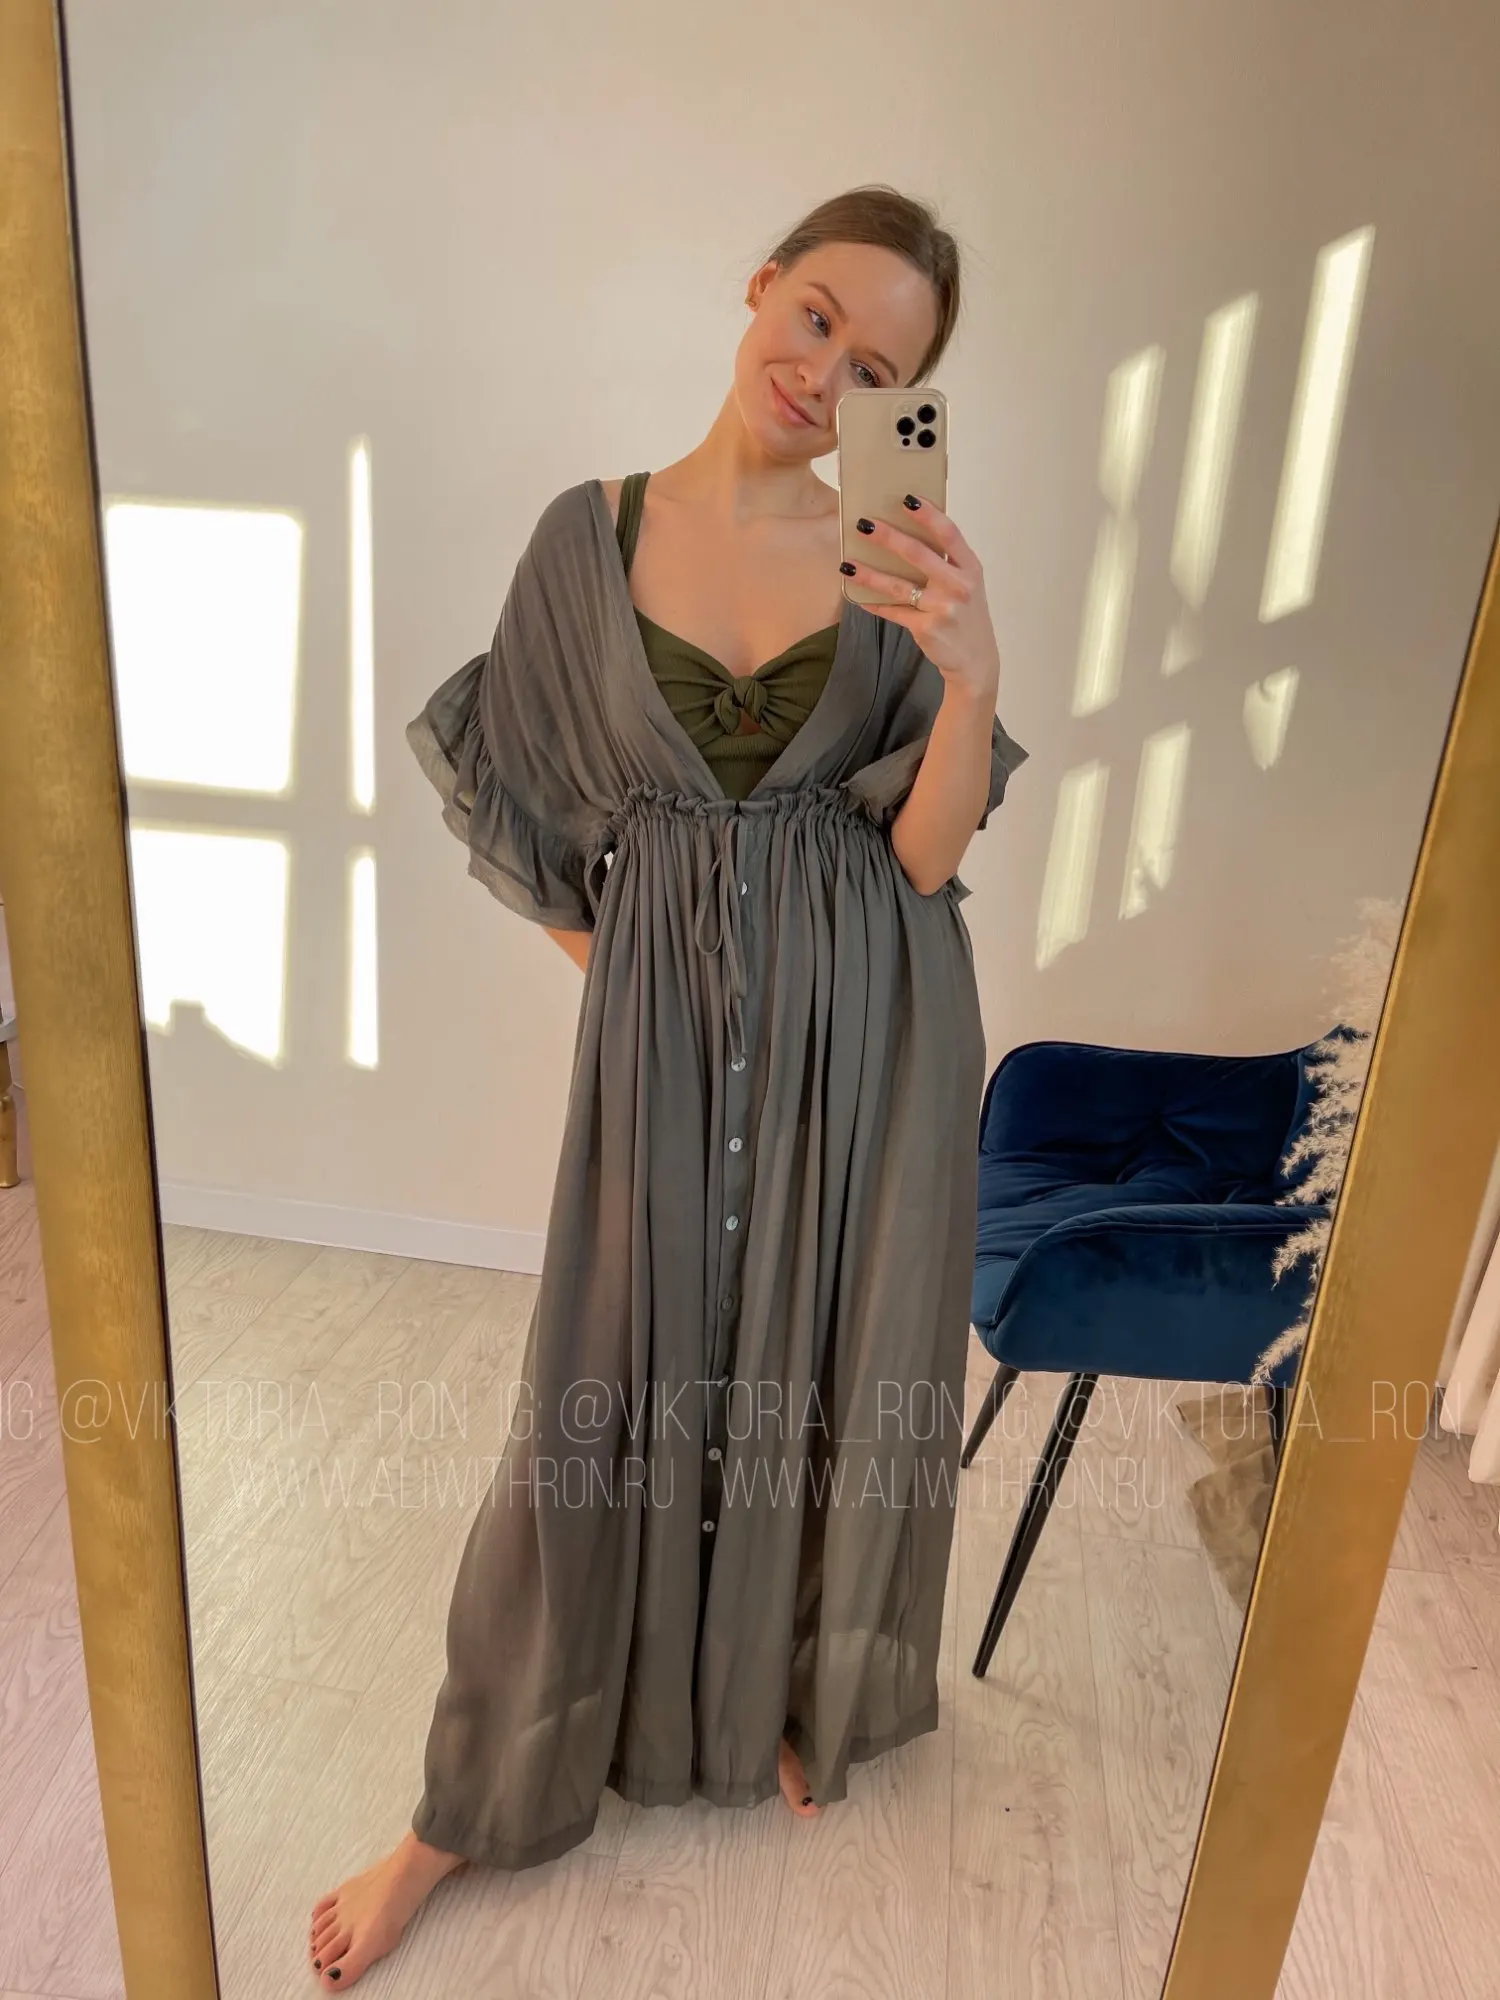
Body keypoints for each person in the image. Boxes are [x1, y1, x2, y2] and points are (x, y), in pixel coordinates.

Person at [306, 183, 1026, 1990]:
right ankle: (463, 1806)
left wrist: (971, 678)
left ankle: (784, 1690)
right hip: (663, 1041)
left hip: (874, 1035)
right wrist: (649, 1002)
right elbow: (532, 822)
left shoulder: (896, 557)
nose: (828, 374)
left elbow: (925, 859)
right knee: (600, 1385)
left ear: (907, 401)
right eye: (818, 318)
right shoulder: (590, 537)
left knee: (823, 1363)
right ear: (760, 288)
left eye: (881, 369)